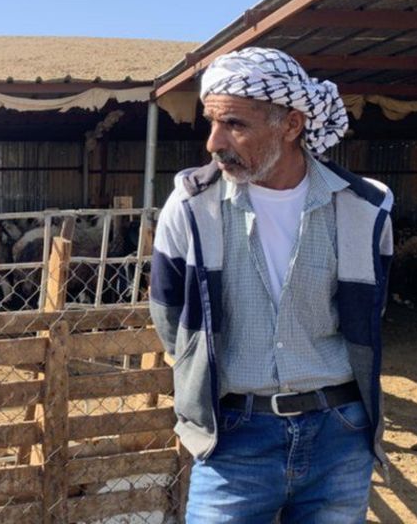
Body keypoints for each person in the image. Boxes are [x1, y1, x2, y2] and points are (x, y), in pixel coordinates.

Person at [150, 47, 394, 522]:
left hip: (340, 437)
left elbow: (370, 310)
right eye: (212, 122)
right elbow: (170, 317)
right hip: (233, 439)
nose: (214, 142)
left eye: (234, 124)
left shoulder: (363, 208)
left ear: (291, 125)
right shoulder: (191, 208)